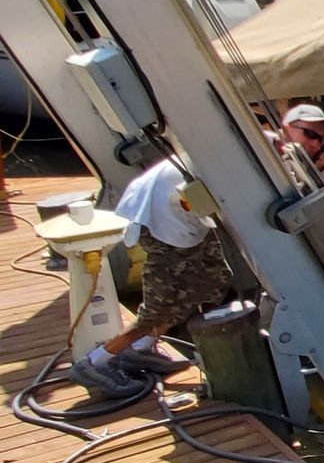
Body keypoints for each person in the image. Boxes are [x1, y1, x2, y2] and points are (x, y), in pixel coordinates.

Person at [68, 157, 233, 398]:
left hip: (182, 215)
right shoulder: (252, 155)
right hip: (160, 221)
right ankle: (94, 363)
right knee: (158, 308)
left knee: (212, 279)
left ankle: (141, 348)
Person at [279, 103, 324, 175]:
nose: (316, 145)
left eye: (322, 139)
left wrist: (319, 170)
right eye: (311, 134)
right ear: (286, 128)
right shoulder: (268, 148)